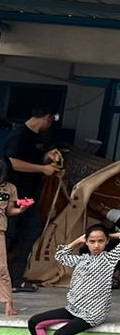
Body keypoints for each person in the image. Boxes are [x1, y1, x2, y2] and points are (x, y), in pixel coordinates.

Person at [5, 106, 59, 293]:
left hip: (30, 196)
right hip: (14, 194)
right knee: (9, 233)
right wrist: (43, 169)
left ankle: (15, 279)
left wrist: (47, 157)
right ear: (46, 117)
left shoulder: (39, 138)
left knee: (30, 232)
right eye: (51, 119)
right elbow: (12, 162)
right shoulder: (19, 135)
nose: (50, 124)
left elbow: (35, 160)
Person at [0, 175, 34, 314]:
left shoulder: (9, 188)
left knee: (2, 268)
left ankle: (9, 305)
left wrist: (22, 209)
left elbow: (9, 210)